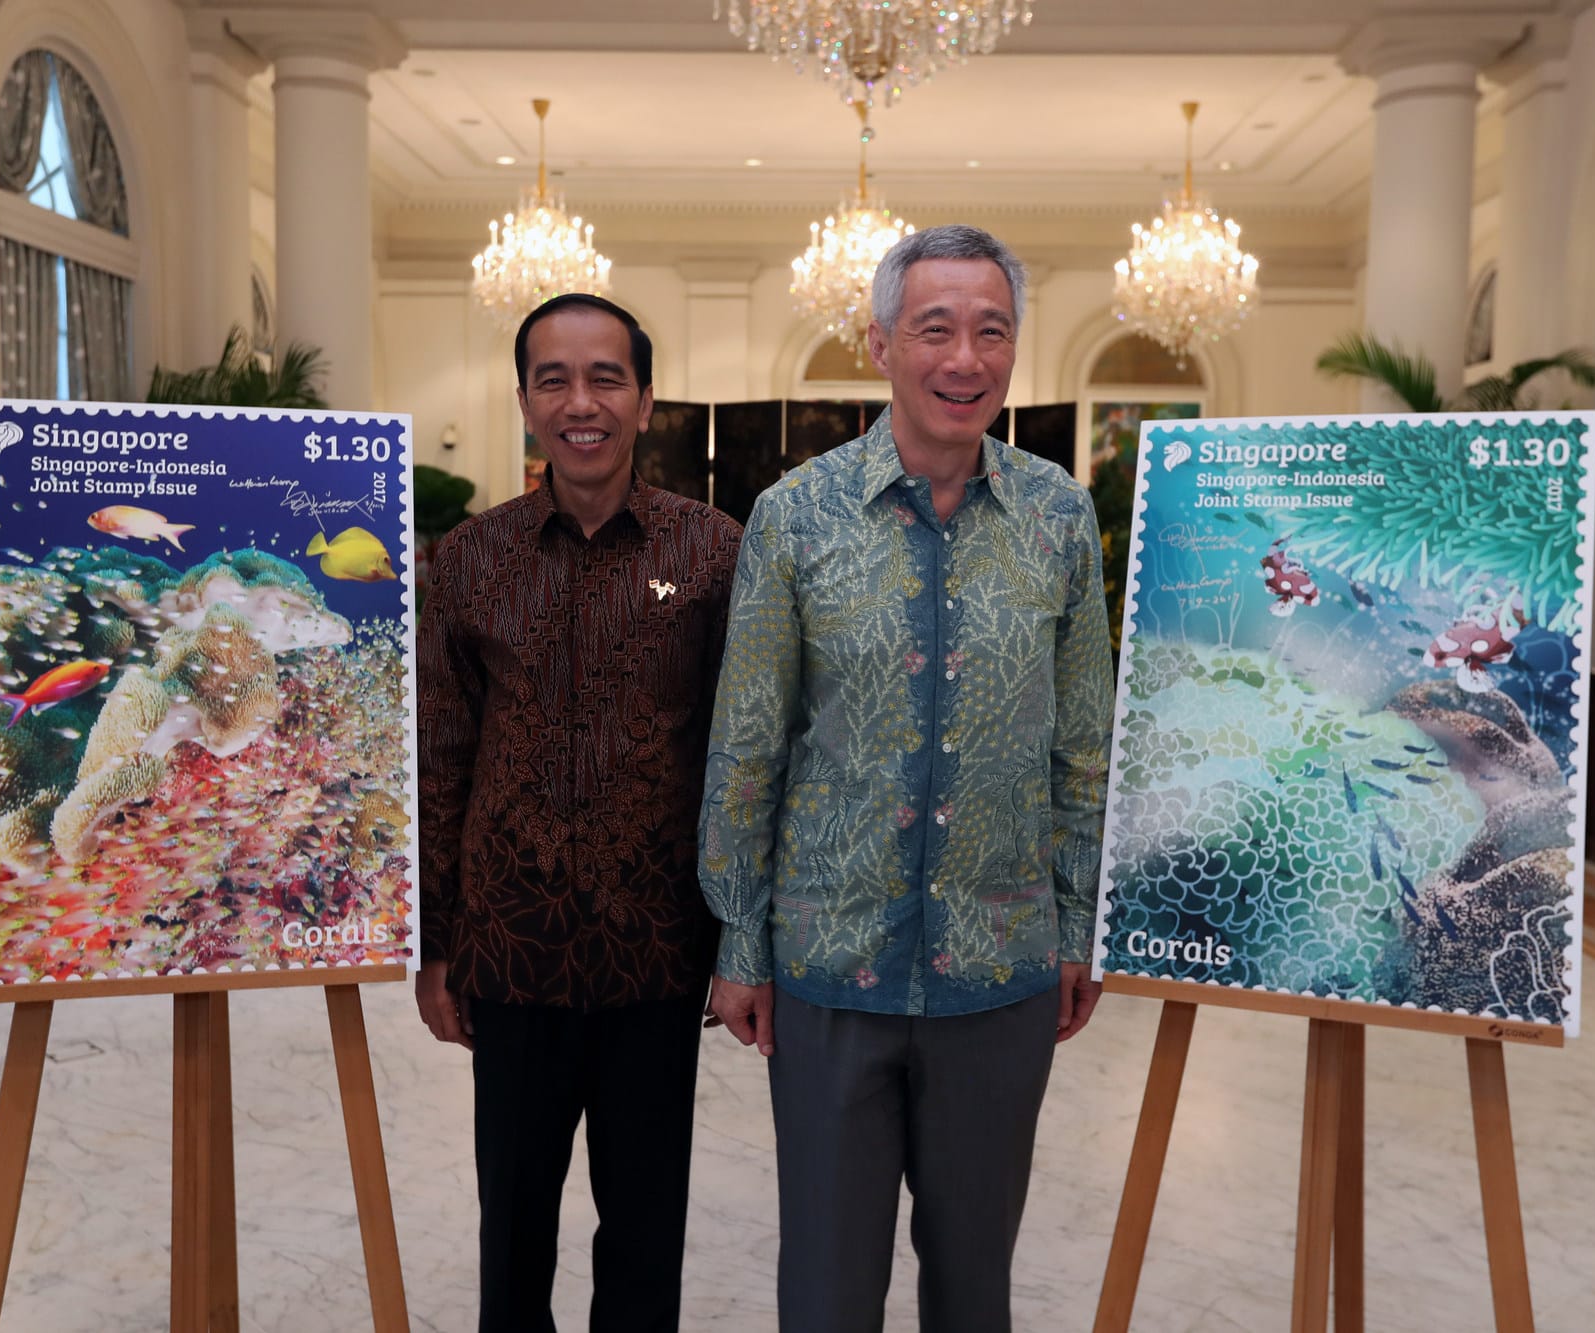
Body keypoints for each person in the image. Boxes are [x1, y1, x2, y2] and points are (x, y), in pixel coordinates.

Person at [698, 225, 1114, 1332]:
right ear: (880, 341)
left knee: (974, 1285)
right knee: (828, 1290)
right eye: (935, 328)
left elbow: (1083, 747)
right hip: (830, 967)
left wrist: (1076, 930)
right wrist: (740, 941)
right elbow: (748, 746)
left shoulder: (1058, 519)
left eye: (991, 331)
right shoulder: (795, 517)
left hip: (1000, 965)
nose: (963, 358)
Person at [417, 293, 742, 1333]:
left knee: (643, 1232)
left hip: (656, 954)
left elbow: (741, 758)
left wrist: (743, 937)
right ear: (522, 400)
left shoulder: (713, 553)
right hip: (509, 953)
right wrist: (435, 943)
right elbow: (442, 758)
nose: (580, 401)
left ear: (645, 399)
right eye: (552, 378)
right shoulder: (469, 560)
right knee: (511, 1228)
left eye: (605, 376)